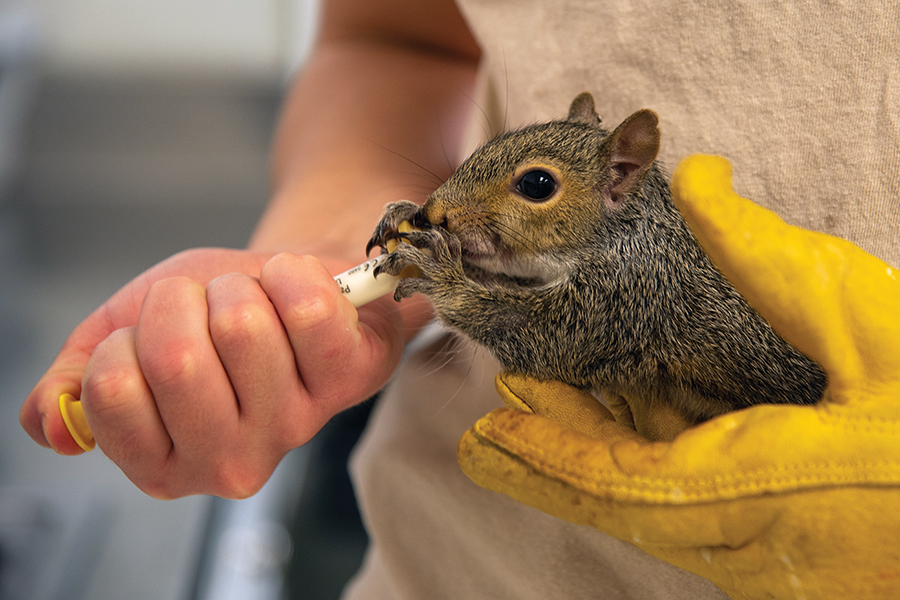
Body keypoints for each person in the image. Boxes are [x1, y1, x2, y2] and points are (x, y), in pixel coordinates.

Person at [19, 0, 900, 598]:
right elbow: (402, 39)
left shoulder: (636, 265)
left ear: (619, 177)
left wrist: (441, 274)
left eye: (539, 188)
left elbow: (560, 338)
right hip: (469, 563)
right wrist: (327, 275)